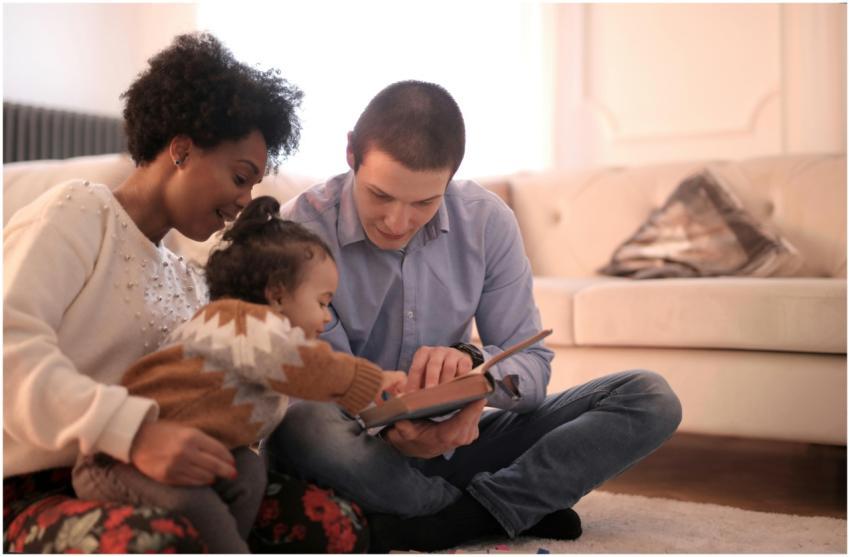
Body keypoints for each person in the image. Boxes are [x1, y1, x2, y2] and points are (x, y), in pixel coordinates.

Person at [262, 80, 683, 552]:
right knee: (300, 428)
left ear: (451, 178)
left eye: (424, 202)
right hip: (356, 449)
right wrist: (391, 430)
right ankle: (501, 507)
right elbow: (312, 383)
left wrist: (476, 378)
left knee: (648, 398)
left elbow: (533, 369)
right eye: (380, 195)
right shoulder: (296, 232)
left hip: (459, 441)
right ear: (350, 154)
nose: (397, 222)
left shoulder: (487, 221)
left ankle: (457, 518)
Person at [4, 32, 369, 554]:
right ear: (181, 149)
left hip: (158, 479)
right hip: (31, 485)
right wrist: (136, 433)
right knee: (166, 540)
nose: (245, 201)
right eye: (240, 177)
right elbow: (8, 353)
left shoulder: (188, 277)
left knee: (332, 525)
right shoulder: (79, 213)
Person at [71, 195, 407, 553]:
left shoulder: (250, 342)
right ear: (277, 296)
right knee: (196, 507)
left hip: (184, 458)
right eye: (323, 303)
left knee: (247, 469)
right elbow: (307, 365)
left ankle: (230, 541)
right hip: (112, 463)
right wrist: (370, 381)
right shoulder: (242, 325)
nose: (327, 317)